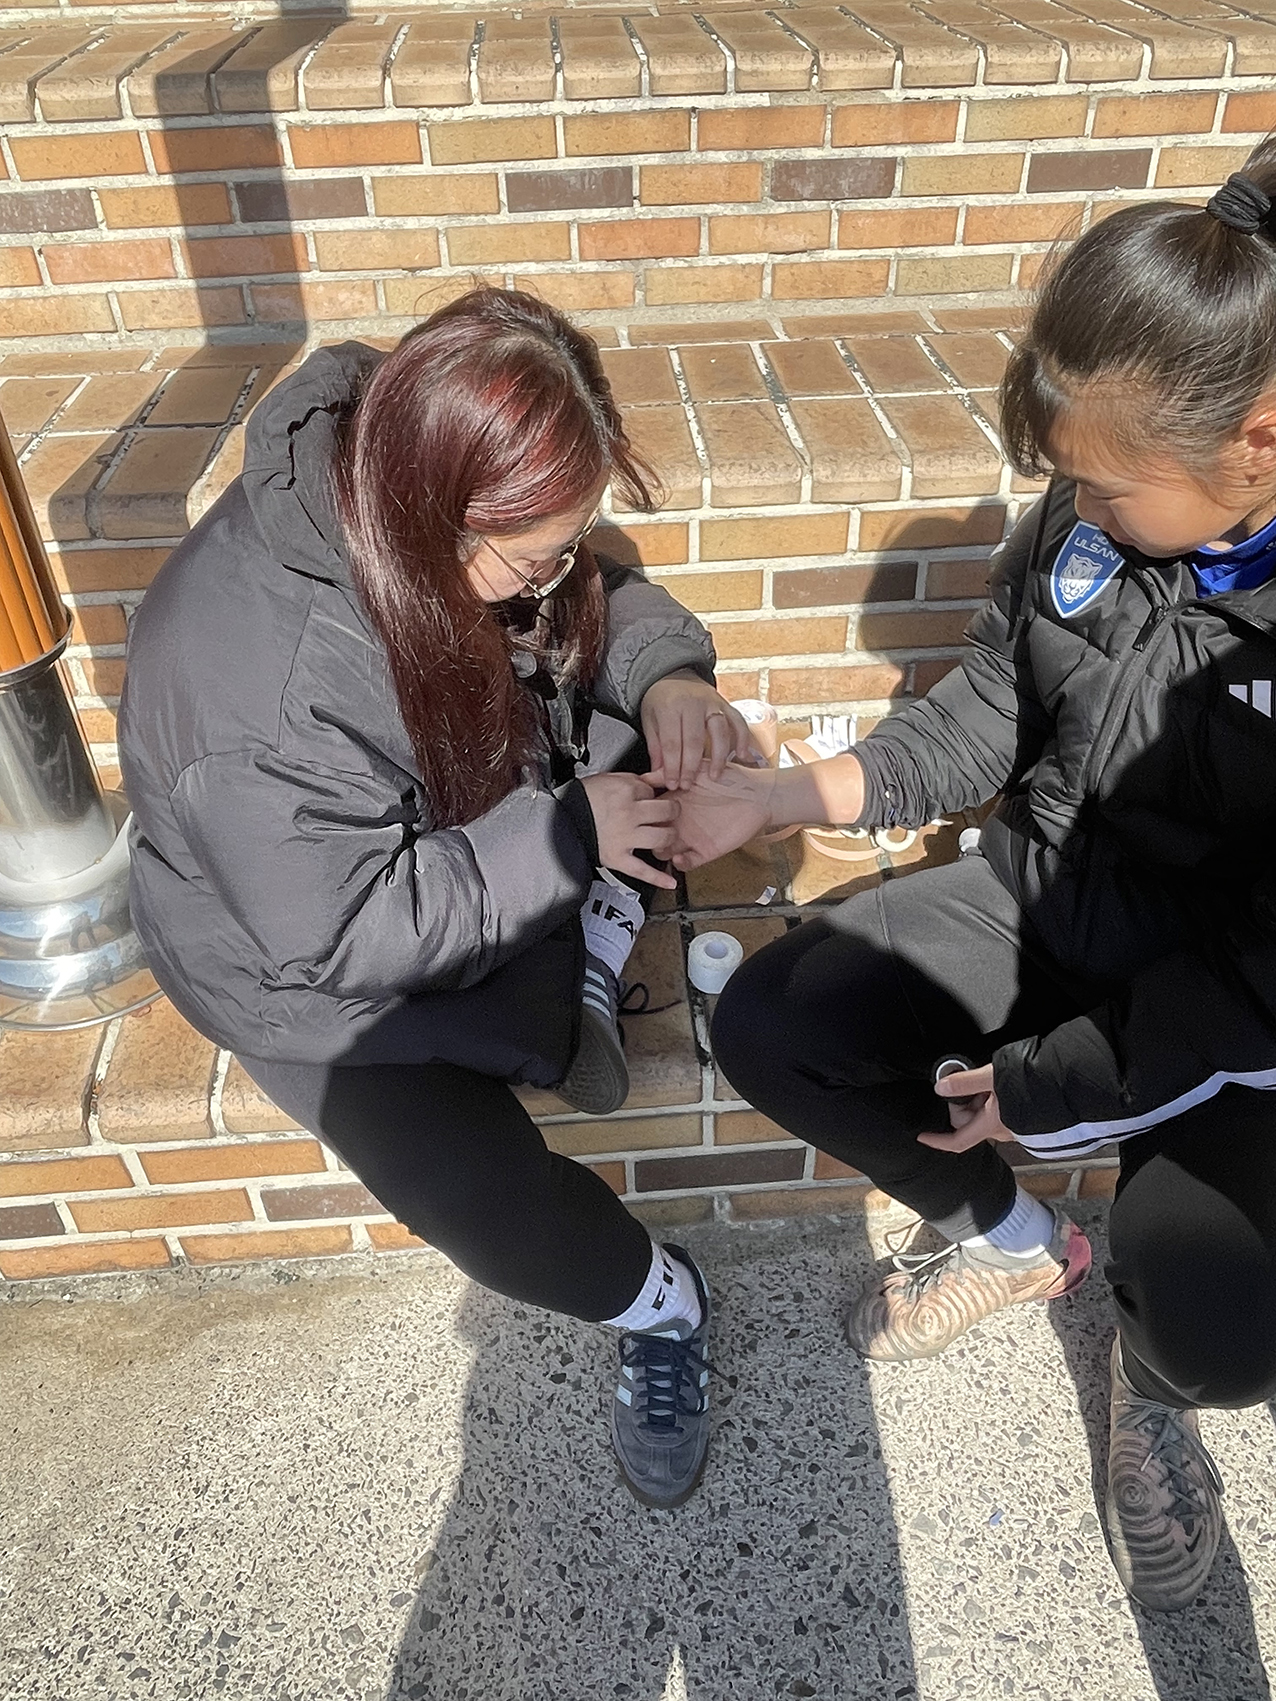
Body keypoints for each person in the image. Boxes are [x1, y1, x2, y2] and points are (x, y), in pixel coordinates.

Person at [675, 146, 1276, 1608]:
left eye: (1109, 487)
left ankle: (1151, 1387)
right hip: (1047, 887)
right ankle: (1016, 1246)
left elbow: (1256, 979)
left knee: (1222, 1326)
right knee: (773, 1021)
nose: (1079, 507)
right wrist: (784, 793)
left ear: (1257, 442)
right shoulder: (1083, 517)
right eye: (1067, 480)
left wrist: (1048, 1087)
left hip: (1233, 1010)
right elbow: (988, 711)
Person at [117, 288, 752, 1510]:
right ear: (438, 515)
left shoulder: (408, 470)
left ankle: (589, 925)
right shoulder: (260, 685)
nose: (556, 573)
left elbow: (589, 592)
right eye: (536, 553)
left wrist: (671, 676)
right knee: (484, 1210)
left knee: (649, 746)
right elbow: (344, 931)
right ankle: (664, 1305)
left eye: (567, 540)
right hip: (305, 972)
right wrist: (571, 835)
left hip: (466, 824)